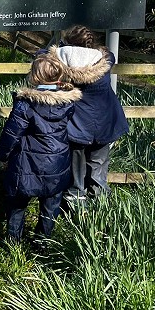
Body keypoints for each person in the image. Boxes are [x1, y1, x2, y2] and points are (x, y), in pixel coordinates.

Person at [0, 55, 81, 243]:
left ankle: (14, 243)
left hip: (26, 164)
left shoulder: (26, 104)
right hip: (56, 162)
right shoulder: (68, 102)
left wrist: (2, 155)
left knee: (17, 205)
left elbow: (11, 134)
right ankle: (43, 243)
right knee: (50, 206)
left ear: (34, 77)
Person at [48, 25, 129, 207]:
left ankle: (76, 210)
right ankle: (100, 209)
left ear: (68, 44)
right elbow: (111, 56)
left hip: (76, 125)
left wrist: (58, 48)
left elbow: (42, 55)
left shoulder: (61, 62)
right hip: (104, 123)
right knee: (98, 168)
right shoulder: (104, 62)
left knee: (75, 173)